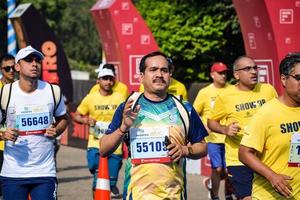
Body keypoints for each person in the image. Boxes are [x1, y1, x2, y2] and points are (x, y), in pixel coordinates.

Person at [99, 51, 208, 199]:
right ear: (141, 76)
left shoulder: (185, 109)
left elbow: (202, 147)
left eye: (164, 70)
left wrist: (185, 150)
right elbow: (104, 149)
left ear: (170, 75)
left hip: (174, 195)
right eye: (153, 70)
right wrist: (123, 128)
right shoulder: (128, 107)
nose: (159, 74)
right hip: (137, 196)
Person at [0, 45, 68, 200]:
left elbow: (63, 119)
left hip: (45, 172)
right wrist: (3, 134)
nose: (34, 63)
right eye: (29, 60)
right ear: (17, 66)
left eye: (38, 60)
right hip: (13, 172)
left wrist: (56, 130)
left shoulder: (53, 91)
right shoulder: (5, 92)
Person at [207, 56, 278, 200]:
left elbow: (279, 113)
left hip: (267, 157)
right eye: (247, 69)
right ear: (236, 75)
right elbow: (211, 122)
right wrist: (225, 129)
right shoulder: (225, 96)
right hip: (238, 158)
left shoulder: (268, 90)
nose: (253, 72)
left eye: (255, 68)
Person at [239, 53, 300, 199]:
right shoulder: (267, 113)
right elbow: (244, 153)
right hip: (272, 195)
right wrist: (272, 176)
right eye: (298, 78)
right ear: (284, 79)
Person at [73, 67, 125, 197]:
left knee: (110, 181)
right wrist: (86, 120)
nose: (108, 82)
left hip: (115, 146)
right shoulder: (91, 98)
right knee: (95, 171)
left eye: (110, 79)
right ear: (98, 81)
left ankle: (110, 187)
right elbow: (77, 115)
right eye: (105, 79)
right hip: (95, 143)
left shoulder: (119, 98)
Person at [193, 62, 233, 200]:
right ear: (212, 75)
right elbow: (195, 113)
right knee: (218, 169)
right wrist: (202, 129)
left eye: (225, 73)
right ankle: (215, 195)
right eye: (220, 73)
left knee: (230, 169)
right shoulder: (205, 92)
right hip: (213, 138)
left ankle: (227, 193)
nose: (223, 75)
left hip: (231, 137)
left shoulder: (233, 89)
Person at [0, 54, 16, 199]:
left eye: (13, 67)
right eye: (7, 68)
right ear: (1, 70)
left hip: (16, 147)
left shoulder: (20, 89)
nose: (11, 71)